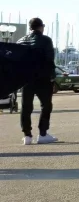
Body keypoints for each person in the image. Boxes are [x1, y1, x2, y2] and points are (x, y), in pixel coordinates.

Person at [17, 17, 57, 145]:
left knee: (26, 107)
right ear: (41, 27)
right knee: (46, 105)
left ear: (30, 27)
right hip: (42, 78)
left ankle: (27, 136)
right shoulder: (46, 40)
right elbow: (50, 59)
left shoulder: (21, 41)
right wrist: (53, 77)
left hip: (26, 78)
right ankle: (43, 134)